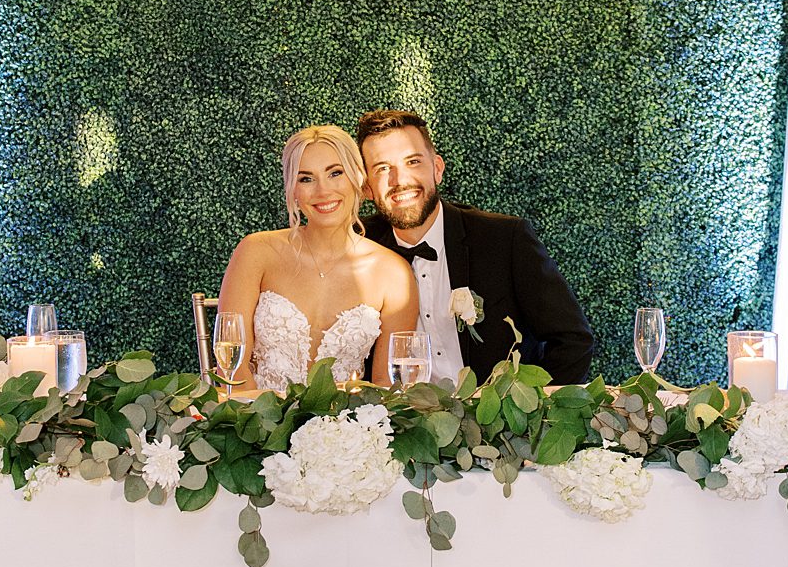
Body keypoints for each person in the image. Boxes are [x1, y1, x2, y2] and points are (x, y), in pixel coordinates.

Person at [357, 108, 594, 385]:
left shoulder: (504, 239)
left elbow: (572, 340)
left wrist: (533, 416)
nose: (400, 180)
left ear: (437, 169)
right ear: (367, 188)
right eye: (383, 168)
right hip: (395, 423)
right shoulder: (357, 246)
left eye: (413, 162)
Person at [218, 124, 419, 392]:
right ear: (293, 190)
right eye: (306, 179)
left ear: (358, 179)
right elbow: (233, 371)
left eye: (335, 173)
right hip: (254, 423)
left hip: (347, 428)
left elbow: (388, 387)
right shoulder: (256, 252)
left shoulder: (393, 274)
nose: (323, 192)